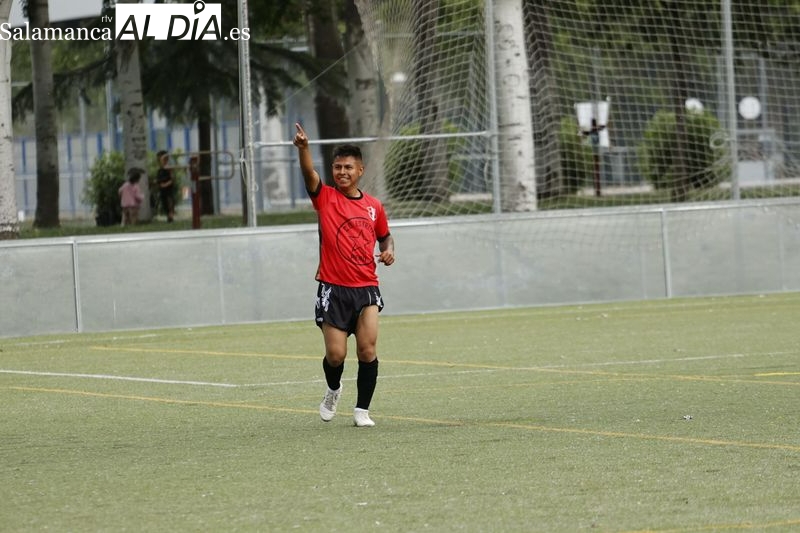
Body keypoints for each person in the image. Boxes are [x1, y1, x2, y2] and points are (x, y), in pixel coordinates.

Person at [293, 123, 395, 428]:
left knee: (367, 349)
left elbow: (385, 237)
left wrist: (389, 251)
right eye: (337, 167)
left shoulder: (374, 206)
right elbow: (309, 174)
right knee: (336, 355)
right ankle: (333, 389)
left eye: (348, 167)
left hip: (366, 288)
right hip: (333, 289)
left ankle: (362, 410)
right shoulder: (325, 198)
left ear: (360, 170)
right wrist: (304, 149)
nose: (342, 172)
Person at [156, 150, 175, 222]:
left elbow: (172, 179)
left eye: (160, 159)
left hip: (168, 188)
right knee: (164, 202)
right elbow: (159, 179)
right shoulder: (160, 169)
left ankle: (170, 215)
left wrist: (166, 184)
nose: (158, 160)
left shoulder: (169, 168)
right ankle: (168, 215)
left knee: (169, 201)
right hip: (162, 189)